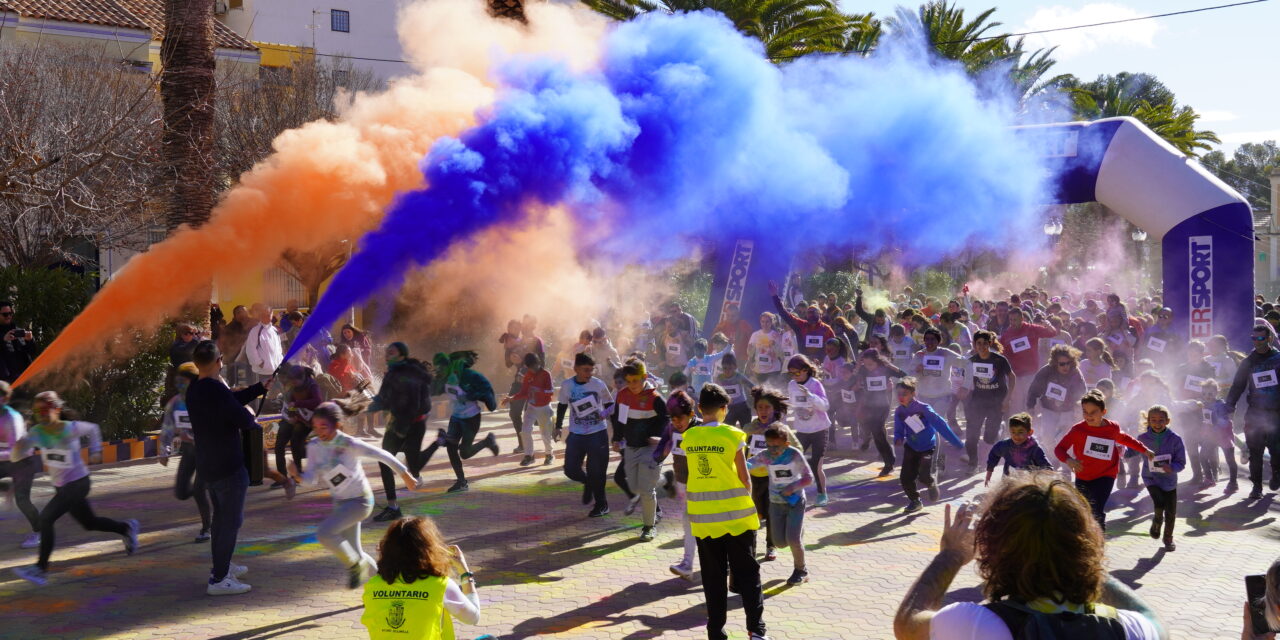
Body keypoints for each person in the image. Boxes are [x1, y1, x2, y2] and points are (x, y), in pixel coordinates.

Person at [892, 474, 1168, 640]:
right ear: (1087, 545)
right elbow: (1153, 620)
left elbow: (908, 623)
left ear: (995, 548)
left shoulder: (978, 624)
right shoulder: (1130, 629)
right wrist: (1079, 560)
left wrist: (951, 555)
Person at [186, 340, 290, 596]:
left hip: (208, 466)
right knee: (229, 523)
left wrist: (257, 389)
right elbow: (243, 417)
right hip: (228, 466)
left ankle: (222, 566)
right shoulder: (216, 390)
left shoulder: (196, 389)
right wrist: (250, 419)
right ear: (218, 361)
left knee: (221, 521)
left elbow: (229, 400)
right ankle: (219, 579)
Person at [10, 391, 139, 586]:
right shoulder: (37, 432)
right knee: (89, 523)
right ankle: (125, 528)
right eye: (37, 411)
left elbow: (93, 429)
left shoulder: (70, 428)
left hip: (79, 483)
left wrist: (96, 451)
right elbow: (15, 456)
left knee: (46, 518)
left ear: (57, 409)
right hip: (62, 487)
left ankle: (40, 569)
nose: (41, 414)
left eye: (45, 409)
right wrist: (18, 447)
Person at [288, 403, 418, 588]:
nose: (319, 431)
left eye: (323, 426)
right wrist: (297, 475)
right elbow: (312, 479)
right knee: (356, 552)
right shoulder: (314, 446)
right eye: (315, 427)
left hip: (360, 501)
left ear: (338, 424)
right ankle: (389, 587)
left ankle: (355, 565)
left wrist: (405, 475)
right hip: (340, 503)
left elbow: (383, 455)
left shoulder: (349, 444)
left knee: (325, 533)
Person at [684, 384, 769, 640]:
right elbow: (745, 479)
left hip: (704, 520)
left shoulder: (690, 437)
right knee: (748, 575)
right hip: (737, 518)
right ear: (724, 409)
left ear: (700, 409)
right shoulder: (733, 435)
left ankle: (716, 632)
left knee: (713, 578)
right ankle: (756, 631)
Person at [361, 516, 481, 639]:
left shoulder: (373, 585)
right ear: (429, 549)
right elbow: (473, 618)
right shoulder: (440, 585)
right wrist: (465, 573)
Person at [1054, 390, 1154, 531]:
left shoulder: (1112, 428)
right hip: (1084, 475)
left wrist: (1144, 449)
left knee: (1097, 508)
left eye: (1093, 412)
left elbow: (1125, 439)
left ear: (1103, 411)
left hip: (1107, 473)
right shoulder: (1077, 430)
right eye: (1085, 412)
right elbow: (1059, 449)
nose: (1088, 416)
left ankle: (1098, 542)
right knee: (1085, 509)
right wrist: (1069, 460)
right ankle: (1086, 536)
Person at [368, 343, 434, 521]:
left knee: (413, 464)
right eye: (387, 352)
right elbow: (384, 398)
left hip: (414, 425)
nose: (387, 354)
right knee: (384, 459)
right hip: (397, 422)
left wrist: (402, 430)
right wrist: (365, 404)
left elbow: (414, 405)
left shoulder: (411, 374)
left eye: (392, 352)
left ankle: (436, 445)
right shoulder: (391, 373)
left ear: (402, 355)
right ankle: (393, 507)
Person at [421, 351, 499, 495]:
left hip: (471, 418)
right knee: (451, 448)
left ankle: (488, 441)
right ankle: (461, 482)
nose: (439, 372)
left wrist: (470, 395)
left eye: (441, 369)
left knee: (465, 453)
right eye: (437, 369)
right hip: (456, 418)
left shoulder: (465, 376)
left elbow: (484, 390)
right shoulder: (442, 380)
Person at [745, 424, 812, 586]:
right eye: (769, 445)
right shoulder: (765, 455)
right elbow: (748, 465)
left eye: (777, 446)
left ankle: (801, 570)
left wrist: (792, 487)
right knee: (780, 542)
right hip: (775, 504)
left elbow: (808, 478)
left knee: (793, 540)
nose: (773, 449)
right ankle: (796, 532)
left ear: (786, 444)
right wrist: (731, 465)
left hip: (795, 502)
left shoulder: (794, 455)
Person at [611, 359, 668, 540]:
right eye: (628, 381)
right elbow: (619, 420)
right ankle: (659, 482)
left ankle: (649, 527)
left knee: (645, 489)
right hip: (631, 447)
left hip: (650, 450)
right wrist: (616, 438)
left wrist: (661, 438)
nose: (632, 385)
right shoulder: (622, 395)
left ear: (644, 377)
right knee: (635, 486)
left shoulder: (656, 399)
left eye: (635, 380)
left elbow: (668, 421)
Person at [742, 387, 799, 562]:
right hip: (751, 477)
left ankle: (770, 545)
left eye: (767, 407)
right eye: (760, 407)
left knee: (771, 512)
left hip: (772, 479)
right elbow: (739, 449)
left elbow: (798, 449)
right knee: (753, 514)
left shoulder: (780, 429)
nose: (763, 411)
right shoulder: (749, 428)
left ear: (774, 409)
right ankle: (749, 547)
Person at [556, 353, 615, 517]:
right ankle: (588, 482)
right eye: (585, 370)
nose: (589, 374)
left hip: (597, 433)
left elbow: (611, 405)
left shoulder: (598, 384)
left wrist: (603, 414)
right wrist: (558, 426)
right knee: (570, 470)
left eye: (591, 370)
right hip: (576, 434)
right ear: (576, 369)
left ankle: (602, 504)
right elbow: (561, 406)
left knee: (597, 471)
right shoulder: (567, 385)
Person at [1225, 324, 1280, 500]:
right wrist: (1230, 405)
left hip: (1276, 414)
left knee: (1277, 451)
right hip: (1255, 413)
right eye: (1254, 338)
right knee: (1254, 451)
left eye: (1261, 338)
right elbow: (1237, 386)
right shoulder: (1248, 362)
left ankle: (1277, 474)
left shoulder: (1278, 359)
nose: (1257, 342)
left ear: (1270, 338)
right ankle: (1256, 486)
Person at [892, 378, 964, 513]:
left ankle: (931, 483)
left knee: (924, 476)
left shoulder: (924, 409)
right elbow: (898, 429)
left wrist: (957, 443)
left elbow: (941, 425)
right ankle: (915, 501)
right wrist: (898, 438)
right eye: (899, 394)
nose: (901, 397)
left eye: (905, 393)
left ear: (913, 393)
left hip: (928, 447)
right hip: (911, 446)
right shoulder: (899, 411)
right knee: (905, 477)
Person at [159, 363, 212, 542]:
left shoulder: (205, 399)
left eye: (184, 381)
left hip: (207, 450)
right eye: (178, 381)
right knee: (181, 492)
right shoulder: (175, 403)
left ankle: (207, 529)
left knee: (198, 489)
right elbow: (167, 427)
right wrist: (164, 451)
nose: (180, 385)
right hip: (189, 450)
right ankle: (208, 487)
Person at [1125, 405, 1185, 551]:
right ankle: (1157, 520)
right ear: (1148, 421)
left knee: (1171, 512)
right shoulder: (1143, 438)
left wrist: (1173, 467)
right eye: (1154, 420)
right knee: (1159, 502)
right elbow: (1131, 451)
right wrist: (1120, 451)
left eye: (1161, 420)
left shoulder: (1175, 439)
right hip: (1150, 478)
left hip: (1169, 481)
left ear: (1167, 421)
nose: (1157, 424)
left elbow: (1181, 462)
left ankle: (1168, 538)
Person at [654, 390, 698, 580]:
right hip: (683, 482)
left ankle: (689, 563)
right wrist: (661, 451)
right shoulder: (671, 429)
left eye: (681, 418)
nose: (677, 422)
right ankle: (687, 565)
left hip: (702, 484)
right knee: (689, 522)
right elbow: (659, 453)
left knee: (696, 523)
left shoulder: (701, 428)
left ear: (692, 415)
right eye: (673, 418)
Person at [960, 331, 1015, 475]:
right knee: (971, 434)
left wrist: (1007, 398)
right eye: (979, 343)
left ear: (990, 343)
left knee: (989, 437)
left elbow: (1012, 377)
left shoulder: (999, 360)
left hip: (996, 402)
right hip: (977, 401)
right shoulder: (970, 361)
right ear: (974, 345)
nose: (982, 346)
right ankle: (973, 463)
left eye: (985, 343)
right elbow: (965, 381)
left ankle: (999, 430)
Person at [1025, 344, 1088, 464]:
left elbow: (1082, 392)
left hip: (1068, 411)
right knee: (1047, 437)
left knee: (1067, 439)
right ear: (1055, 363)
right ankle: (1055, 459)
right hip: (1049, 409)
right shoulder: (1046, 371)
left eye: (1068, 363)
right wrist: (1031, 405)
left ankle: (1067, 467)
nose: (1066, 367)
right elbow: (1034, 389)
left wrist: (1079, 407)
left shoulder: (1075, 373)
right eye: (1062, 364)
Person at [785, 354, 832, 506]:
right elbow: (791, 404)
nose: (794, 376)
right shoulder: (792, 385)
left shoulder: (815, 384)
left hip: (819, 429)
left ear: (805, 370)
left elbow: (825, 406)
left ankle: (822, 493)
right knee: (793, 462)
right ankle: (793, 492)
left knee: (816, 464)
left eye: (797, 372)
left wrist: (810, 396)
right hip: (802, 430)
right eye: (791, 373)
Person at [855, 347, 907, 478]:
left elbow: (904, 375)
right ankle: (880, 448)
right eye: (865, 364)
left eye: (870, 364)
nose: (868, 367)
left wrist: (892, 368)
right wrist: (857, 368)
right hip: (868, 405)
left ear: (877, 361)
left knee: (877, 432)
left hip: (882, 405)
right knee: (873, 431)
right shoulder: (863, 369)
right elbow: (854, 376)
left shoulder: (885, 368)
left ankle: (889, 463)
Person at [0, 380, 40, 549]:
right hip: (5, 461)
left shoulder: (12, 418)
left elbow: (15, 451)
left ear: (4, 398)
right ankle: (7, 486)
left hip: (22, 462)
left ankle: (39, 531)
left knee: (22, 501)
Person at [999, 307, 1058, 411]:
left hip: (1031, 374)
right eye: (1011, 320)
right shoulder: (1006, 335)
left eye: (1015, 319)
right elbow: (1003, 355)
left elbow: (1052, 333)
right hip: (1015, 377)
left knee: (1031, 404)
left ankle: (1033, 426)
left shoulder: (1032, 329)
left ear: (1022, 318)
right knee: (1016, 406)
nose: (1012, 322)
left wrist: (1049, 326)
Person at [502, 352, 556, 467]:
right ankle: (529, 455)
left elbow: (550, 392)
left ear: (538, 363)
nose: (533, 369)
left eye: (535, 366)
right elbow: (524, 392)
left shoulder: (546, 374)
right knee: (525, 431)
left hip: (544, 407)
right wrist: (511, 398)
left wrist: (539, 390)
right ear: (527, 367)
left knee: (545, 434)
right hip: (531, 407)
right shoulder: (528, 375)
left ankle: (549, 454)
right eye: (530, 367)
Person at [275, 365, 323, 483]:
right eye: (291, 381)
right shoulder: (290, 385)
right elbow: (289, 402)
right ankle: (282, 477)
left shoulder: (312, 385)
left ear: (302, 378)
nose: (293, 383)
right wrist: (291, 415)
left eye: (295, 381)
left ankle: (298, 473)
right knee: (279, 445)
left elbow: (317, 401)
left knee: (296, 442)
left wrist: (298, 404)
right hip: (293, 416)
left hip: (307, 419)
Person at [769, 280, 834, 360]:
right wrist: (775, 296)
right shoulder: (801, 325)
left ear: (820, 314)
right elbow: (784, 314)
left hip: (822, 366)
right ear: (806, 315)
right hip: (804, 364)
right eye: (809, 312)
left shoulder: (827, 330)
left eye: (814, 312)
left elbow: (834, 348)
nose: (811, 314)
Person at [984, 413, 1050, 485]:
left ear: (1030, 432)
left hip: (1028, 486)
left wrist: (1047, 480)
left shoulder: (1034, 449)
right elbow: (994, 453)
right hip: (1007, 484)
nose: (1016, 436)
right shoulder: (1006, 445)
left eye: (1020, 432)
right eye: (1013, 432)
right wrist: (989, 473)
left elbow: (1046, 467)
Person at [243, 303, 283, 386]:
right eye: (264, 315)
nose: (267, 317)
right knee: (261, 396)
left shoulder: (275, 330)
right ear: (260, 316)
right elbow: (250, 349)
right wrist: (260, 363)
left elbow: (279, 349)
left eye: (269, 315)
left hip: (275, 371)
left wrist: (280, 362)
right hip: (261, 372)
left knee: (274, 395)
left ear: (272, 315)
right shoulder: (255, 331)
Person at [715, 353, 755, 427]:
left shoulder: (739, 376)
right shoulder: (720, 378)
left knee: (746, 429)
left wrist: (758, 393)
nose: (727, 371)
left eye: (730, 368)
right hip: (729, 408)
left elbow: (752, 386)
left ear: (735, 367)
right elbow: (716, 391)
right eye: (724, 368)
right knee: (728, 430)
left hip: (742, 406)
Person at [0, 301, 36, 383]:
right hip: (4, 381)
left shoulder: (18, 331)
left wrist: (29, 340)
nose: (8, 316)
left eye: (10, 313)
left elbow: (31, 351)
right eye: (5, 314)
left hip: (23, 378)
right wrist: (3, 340)